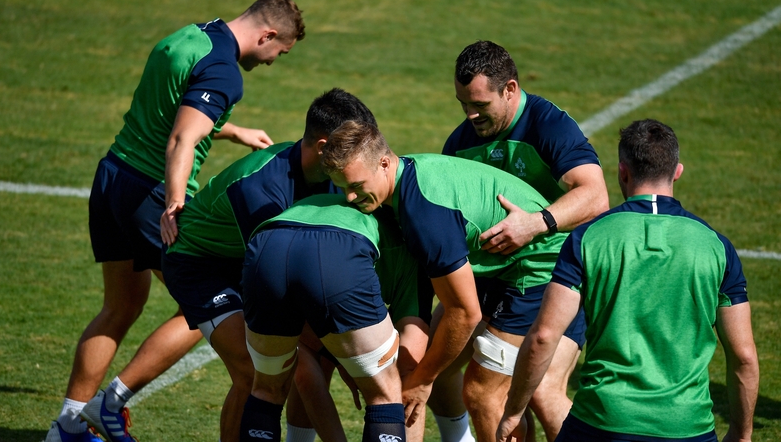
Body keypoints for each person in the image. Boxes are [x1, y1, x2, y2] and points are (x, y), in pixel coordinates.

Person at [45, 0, 305, 441]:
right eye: (278, 52)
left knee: (121, 305)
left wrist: (233, 130)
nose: (272, 62)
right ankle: (111, 403)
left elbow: (176, 108)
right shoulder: (224, 70)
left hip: (112, 178)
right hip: (151, 192)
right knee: (206, 298)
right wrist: (175, 200)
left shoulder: (189, 36)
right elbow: (182, 138)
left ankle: (66, 428)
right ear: (267, 35)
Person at [78, 88, 375, 442]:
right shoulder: (262, 189)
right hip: (198, 265)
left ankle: (109, 403)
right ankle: (108, 404)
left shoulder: (331, 175)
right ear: (324, 146)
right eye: (353, 149)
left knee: (294, 361)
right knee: (256, 371)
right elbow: (275, 286)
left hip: (242, 259)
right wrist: (343, 352)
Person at [496, 119, 760, 442]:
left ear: (622, 172)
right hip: (687, 428)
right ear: (677, 171)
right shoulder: (717, 248)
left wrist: (512, 412)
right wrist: (743, 434)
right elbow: (743, 356)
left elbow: (543, 337)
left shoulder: (587, 238)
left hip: (600, 424)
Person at [321, 120, 577, 442]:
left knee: (482, 395)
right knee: (436, 359)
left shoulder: (425, 214)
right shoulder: (402, 183)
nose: (349, 196)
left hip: (539, 270)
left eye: (356, 184)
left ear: (384, 162)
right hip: (498, 269)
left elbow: (465, 313)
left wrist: (421, 381)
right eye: (342, 187)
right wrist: (423, 373)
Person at [434, 40, 609, 442]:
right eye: (463, 103)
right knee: (430, 364)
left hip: (551, 278)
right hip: (488, 277)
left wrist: (536, 223)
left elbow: (596, 197)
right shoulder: (462, 143)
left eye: (480, 104)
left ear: (510, 89)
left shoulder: (547, 125)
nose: (470, 114)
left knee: (526, 393)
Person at [240, 194, 412, 442]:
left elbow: (307, 307)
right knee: (384, 394)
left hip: (267, 245)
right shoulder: (407, 237)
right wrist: (421, 382)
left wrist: (345, 358)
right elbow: (414, 334)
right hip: (338, 248)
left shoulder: (319, 199)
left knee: (266, 389)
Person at [284, 204, 434, 442]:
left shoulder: (408, 261)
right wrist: (347, 361)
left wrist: (419, 381)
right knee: (312, 360)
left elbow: (410, 364)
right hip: (313, 255)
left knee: (405, 379)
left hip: (289, 247)